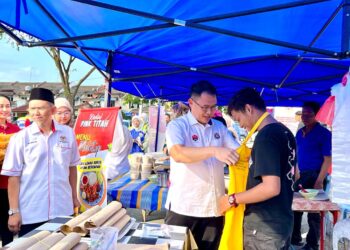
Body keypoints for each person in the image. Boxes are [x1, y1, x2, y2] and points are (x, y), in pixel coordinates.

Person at [164, 80, 239, 250]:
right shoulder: (178, 126)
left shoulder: (219, 127)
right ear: (191, 102)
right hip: (183, 207)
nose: (210, 112)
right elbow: (178, 153)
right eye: (205, 107)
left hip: (214, 208)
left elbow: (238, 152)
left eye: (213, 107)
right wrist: (214, 151)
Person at [219, 87, 296, 250]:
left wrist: (232, 199)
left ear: (248, 108)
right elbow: (296, 174)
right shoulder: (285, 132)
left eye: (238, 119)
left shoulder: (266, 137)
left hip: (263, 229)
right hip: (281, 222)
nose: (240, 125)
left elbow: (271, 188)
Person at [1, 88, 80, 237]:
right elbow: (13, 177)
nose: (36, 113)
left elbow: (72, 168)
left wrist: (74, 198)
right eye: (32, 108)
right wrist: (13, 211)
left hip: (63, 209)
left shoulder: (68, 134)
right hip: (32, 212)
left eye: (41, 108)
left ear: (53, 110)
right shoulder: (20, 138)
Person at [291, 101, 332, 250]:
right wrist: (296, 174)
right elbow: (297, 156)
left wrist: (320, 180)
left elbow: (328, 159)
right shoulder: (299, 133)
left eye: (309, 114)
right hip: (302, 175)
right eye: (303, 113)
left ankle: (312, 244)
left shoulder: (324, 134)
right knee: (295, 208)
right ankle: (295, 238)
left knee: (314, 212)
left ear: (317, 115)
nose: (305, 116)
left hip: (316, 175)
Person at [0, 95, 20, 246]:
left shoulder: (16, 130)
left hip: (10, 187)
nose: (5, 109)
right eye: (1, 106)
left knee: (8, 227)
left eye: (7, 106)